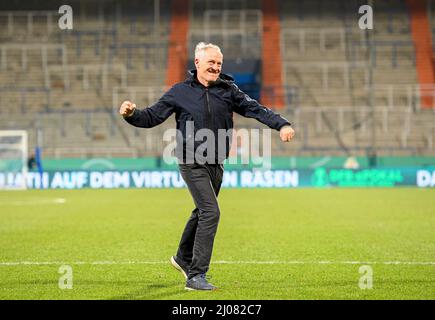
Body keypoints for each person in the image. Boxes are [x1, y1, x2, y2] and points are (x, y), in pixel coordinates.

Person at [120, 42, 295, 291]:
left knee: (202, 211)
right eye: (211, 62)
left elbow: (255, 108)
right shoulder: (179, 91)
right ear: (197, 63)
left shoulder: (229, 90)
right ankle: (196, 275)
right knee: (211, 212)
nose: (215, 67)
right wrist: (131, 114)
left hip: (217, 163)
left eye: (219, 63)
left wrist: (282, 125)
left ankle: (182, 257)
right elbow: (152, 117)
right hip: (191, 161)